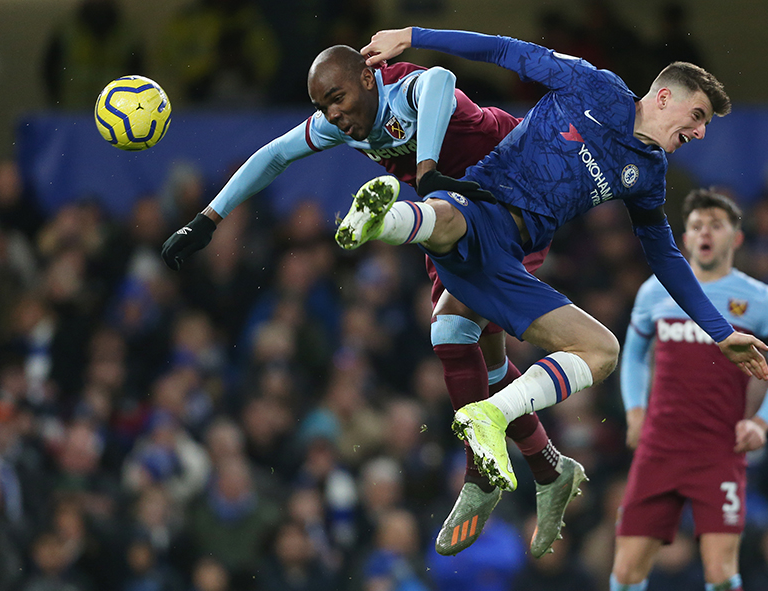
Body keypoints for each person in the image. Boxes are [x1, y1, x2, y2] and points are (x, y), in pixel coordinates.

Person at [341, 28, 768, 556]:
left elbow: (664, 254)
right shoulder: (592, 86)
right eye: (698, 116)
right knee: (453, 295)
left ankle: (525, 454)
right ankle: (378, 221)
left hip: (517, 252)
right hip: (483, 204)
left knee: (577, 348)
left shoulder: (650, 171)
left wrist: (721, 332)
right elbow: (504, 51)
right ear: (664, 97)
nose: (700, 132)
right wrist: (413, 35)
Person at [159, 44, 578, 557]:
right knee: (459, 340)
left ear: (367, 76)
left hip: (512, 196)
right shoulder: (341, 124)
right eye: (322, 107)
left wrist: (424, 170)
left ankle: (484, 474)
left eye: (337, 97)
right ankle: (546, 466)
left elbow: (442, 79)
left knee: (459, 327)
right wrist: (207, 220)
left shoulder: (404, 89)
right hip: (451, 216)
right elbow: (272, 155)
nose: (333, 114)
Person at [608, 189, 768, 591]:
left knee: (720, 573)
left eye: (716, 225)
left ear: (736, 238)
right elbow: (635, 358)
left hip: (718, 449)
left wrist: (761, 422)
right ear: (685, 236)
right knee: (624, 575)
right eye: (696, 225)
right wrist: (635, 412)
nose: (705, 232)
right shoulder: (656, 292)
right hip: (659, 447)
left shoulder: (761, 301)